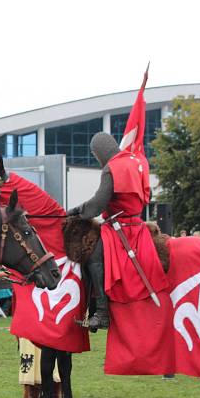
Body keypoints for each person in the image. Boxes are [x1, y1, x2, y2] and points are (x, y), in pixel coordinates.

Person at [67, 132, 168, 329]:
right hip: (136, 224)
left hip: (119, 227)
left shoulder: (111, 168)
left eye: (96, 156)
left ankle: (103, 313)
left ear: (99, 152)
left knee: (92, 255)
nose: (97, 160)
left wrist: (77, 211)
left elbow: (98, 203)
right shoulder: (137, 161)